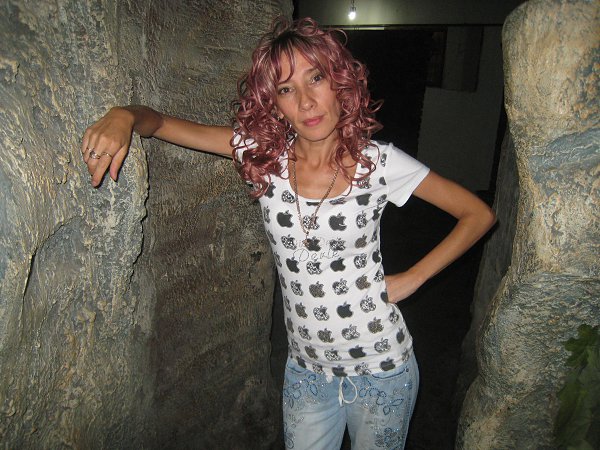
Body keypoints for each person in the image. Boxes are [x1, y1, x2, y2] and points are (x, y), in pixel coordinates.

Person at [82, 17, 495, 450]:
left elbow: (477, 215)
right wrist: (124, 115)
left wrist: (414, 278)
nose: (306, 101)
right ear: (274, 103)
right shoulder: (263, 157)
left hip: (381, 369)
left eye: (316, 78)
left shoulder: (379, 163)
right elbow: (161, 124)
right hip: (306, 372)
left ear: (340, 84)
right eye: (285, 89)